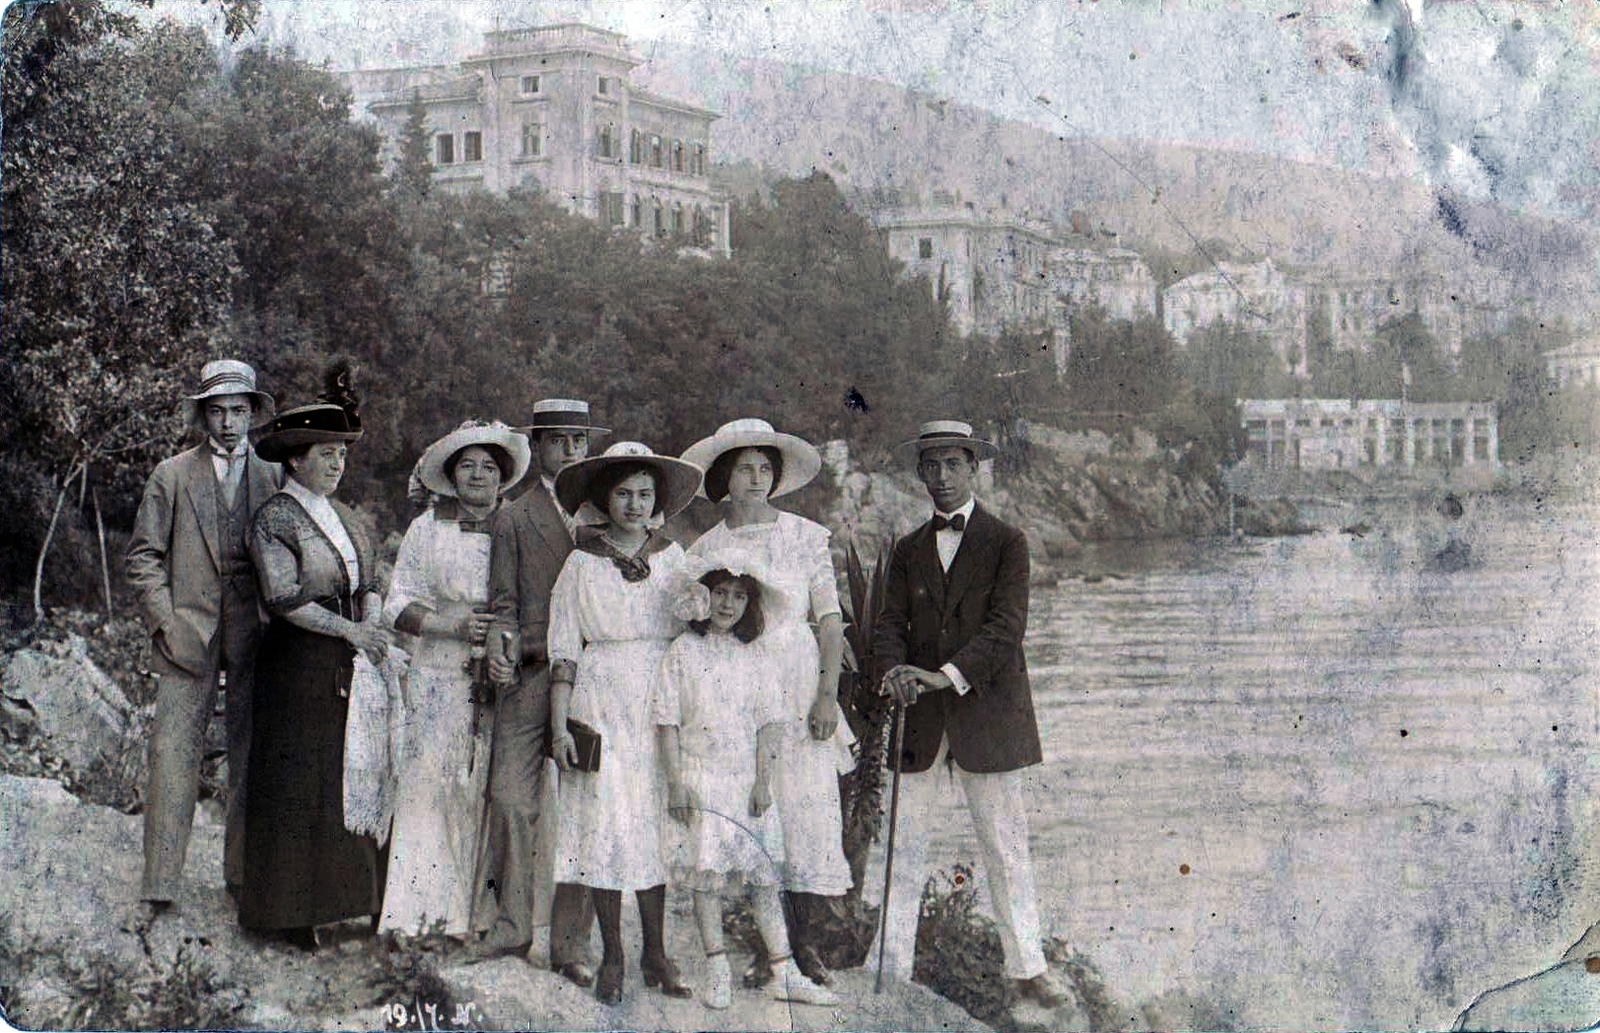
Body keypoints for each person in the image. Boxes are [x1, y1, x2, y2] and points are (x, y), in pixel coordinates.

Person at [869, 419, 1068, 1008]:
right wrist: (893, 673)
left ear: (974, 468)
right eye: (930, 465)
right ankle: (889, 964)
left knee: (1006, 845)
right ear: (920, 472)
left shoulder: (1008, 542)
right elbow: (886, 626)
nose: (942, 477)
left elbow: (1006, 630)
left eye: (953, 464)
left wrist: (943, 676)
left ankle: (1027, 967)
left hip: (988, 713)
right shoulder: (906, 550)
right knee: (904, 843)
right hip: (920, 720)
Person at [680, 418, 852, 986]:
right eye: (743, 468)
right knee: (752, 805)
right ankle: (763, 948)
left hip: (799, 675)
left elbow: (829, 621)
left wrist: (827, 694)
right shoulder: (706, 548)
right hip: (736, 685)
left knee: (804, 806)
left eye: (764, 468)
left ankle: (804, 948)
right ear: (723, 477)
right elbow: (697, 628)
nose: (755, 478)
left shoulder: (805, 536)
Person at [123, 359, 281, 933]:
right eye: (217, 411)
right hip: (186, 636)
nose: (229, 423)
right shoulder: (171, 475)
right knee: (172, 754)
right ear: (202, 416)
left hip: (255, 637)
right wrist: (166, 624)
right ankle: (160, 886)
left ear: (254, 415)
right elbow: (142, 557)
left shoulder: (274, 478)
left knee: (249, 758)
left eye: (239, 411)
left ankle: (241, 878)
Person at [546, 441, 702, 1005]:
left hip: (659, 699)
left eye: (645, 494)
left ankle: (655, 951)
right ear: (604, 500)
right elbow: (564, 646)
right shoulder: (581, 563)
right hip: (602, 695)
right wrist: (560, 725)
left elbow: (697, 631)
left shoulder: (675, 559)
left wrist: (700, 604)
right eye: (623, 494)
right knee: (606, 823)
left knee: (655, 823)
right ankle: (612, 951)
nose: (635, 505)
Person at [654, 552, 840, 1010]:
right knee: (706, 877)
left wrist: (763, 781)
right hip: (701, 776)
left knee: (762, 879)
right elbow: (667, 723)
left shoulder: (756, 657)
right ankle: (716, 968)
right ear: (703, 596)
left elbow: (770, 724)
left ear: (749, 605)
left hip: (743, 779)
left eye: (739, 596)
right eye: (720, 593)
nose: (728, 604)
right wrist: (677, 783)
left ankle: (783, 970)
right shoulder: (681, 652)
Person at [239, 390, 388, 949]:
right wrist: (352, 632)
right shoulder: (274, 517)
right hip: (297, 662)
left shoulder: (348, 516)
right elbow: (283, 597)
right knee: (298, 780)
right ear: (295, 458)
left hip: (349, 656)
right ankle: (289, 915)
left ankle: (349, 903)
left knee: (347, 776)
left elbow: (369, 580)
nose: (337, 464)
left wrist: (370, 628)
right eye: (325, 454)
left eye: (342, 455)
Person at [379, 421, 532, 940]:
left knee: (481, 790)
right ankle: (415, 919)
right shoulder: (429, 527)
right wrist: (454, 626)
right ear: (450, 473)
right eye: (467, 465)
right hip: (438, 671)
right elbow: (397, 603)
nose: (478, 475)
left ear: (504, 478)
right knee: (429, 787)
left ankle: (472, 920)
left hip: (498, 673)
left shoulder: (515, 528)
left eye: (490, 467)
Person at [473, 399, 605, 975]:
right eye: (560, 441)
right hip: (530, 673)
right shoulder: (514, 515)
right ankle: (511, 928)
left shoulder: (609, 511)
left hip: (595, 678)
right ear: (540, 446)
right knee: (509, 798)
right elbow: (501, 604)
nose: (572, 451)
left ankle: (572, 946)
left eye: (580, 441)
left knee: (586, 809)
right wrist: (501, 651)